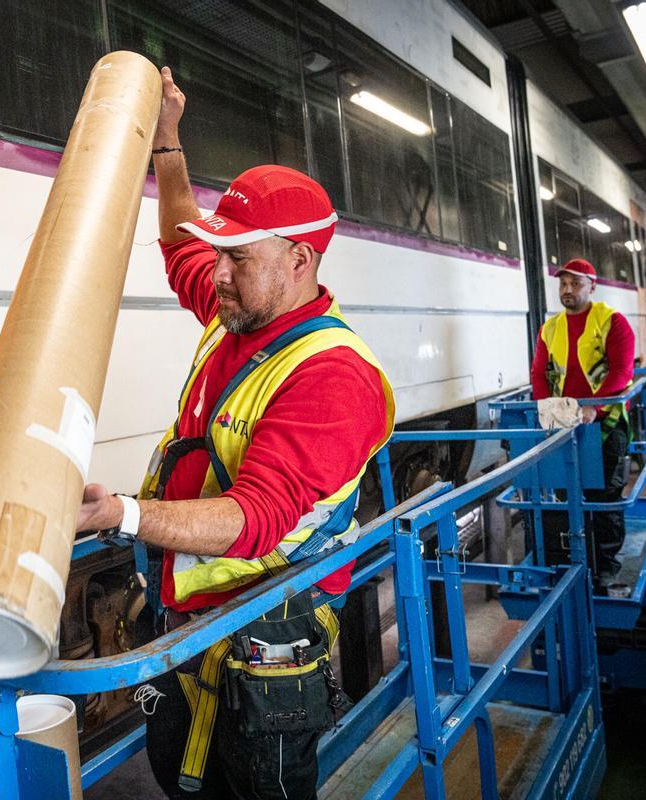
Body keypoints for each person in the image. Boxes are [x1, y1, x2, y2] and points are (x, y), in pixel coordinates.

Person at [75, 66, 395, 799]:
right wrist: (168, 141)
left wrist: (123, 514)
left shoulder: (333, 376)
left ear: (300, 262)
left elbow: (256, 519)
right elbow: (179, 246)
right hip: (187, 622)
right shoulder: (242, 309)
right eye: (219, 254)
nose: (214, 275)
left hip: (268, 648)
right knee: (179, 772)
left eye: (237, 257)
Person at [530, 258, 636, 581]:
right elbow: (538, 374)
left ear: (592, 286)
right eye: (563, 283)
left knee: (604, 499)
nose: (567, 289)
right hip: (567, 425)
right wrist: (545, 408)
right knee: (568, 497)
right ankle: (576, 563)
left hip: (605, 425)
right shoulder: (550, 328)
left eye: (575, 283)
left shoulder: (612, 322)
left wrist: (596, 408)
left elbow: (622, 372)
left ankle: (604, 568)